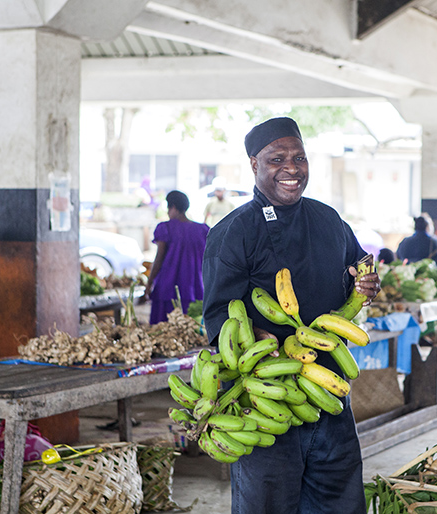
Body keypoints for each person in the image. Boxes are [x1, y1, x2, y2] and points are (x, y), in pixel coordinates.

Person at [202, 117, 380, 514]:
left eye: (299, 157)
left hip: (328, 389)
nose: (292, 169)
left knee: (341, 502)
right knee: (268, 505)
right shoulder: (233, 232)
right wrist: (258, 337)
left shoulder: (328, 220)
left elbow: (358, 269)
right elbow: (217, 317)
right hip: (268, 397)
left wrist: (366, 285)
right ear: (254, 165)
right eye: (276, 158)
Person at [146, 190, 209, 324]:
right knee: (193, 332)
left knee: (164, 332)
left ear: (173, 207)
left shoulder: (165, 228)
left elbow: (159, 259)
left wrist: (149, 283)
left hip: (167, 288)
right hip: (195, 288)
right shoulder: (203, 230)